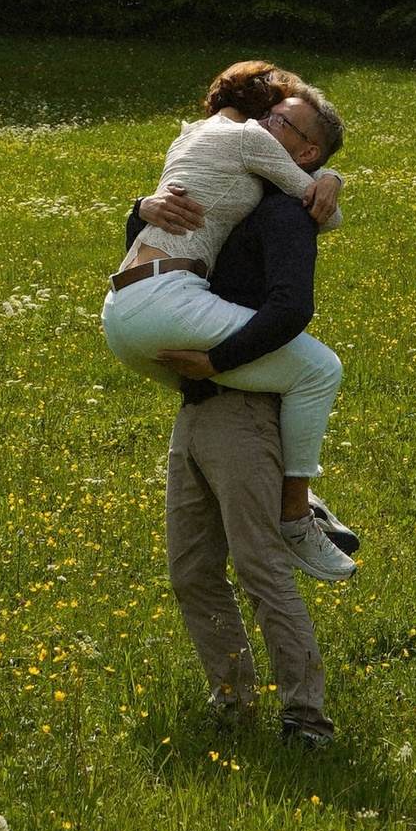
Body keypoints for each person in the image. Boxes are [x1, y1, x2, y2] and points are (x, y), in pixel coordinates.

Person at [130, 120, 349, 746]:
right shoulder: (234, 191)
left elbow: (290, 308)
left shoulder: (284, 213)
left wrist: (217, 363)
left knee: (260, 568)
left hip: (244, 409)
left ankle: (307, 719)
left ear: (304, 151)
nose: (258, 127)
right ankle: (232, 701)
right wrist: (140, 206)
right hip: (196, 408)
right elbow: (150, 245)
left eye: (280, 122)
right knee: (192, 571)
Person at [102, 63, 348, 492]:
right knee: (321, 371)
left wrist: (140, 206)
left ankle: (269, 486)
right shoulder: (250, 138)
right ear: (262, 108)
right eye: (273, 114)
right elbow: (325, 214)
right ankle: (297, 505)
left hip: (121, 310)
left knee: (232, 388)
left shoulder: (188, 134)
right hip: (168, 300)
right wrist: (329, 177)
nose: (271, 124)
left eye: (281, 121)